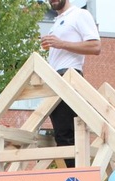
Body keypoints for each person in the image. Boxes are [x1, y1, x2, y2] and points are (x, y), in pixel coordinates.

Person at [41, 0, 101, 168]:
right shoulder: (56, 23)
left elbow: (96, 46)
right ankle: (72, 178)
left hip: (69, 76)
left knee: (70, 135)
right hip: (55, 80)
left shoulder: (79, 15)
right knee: (62, 136)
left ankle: (77, 179)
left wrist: (61, 44)